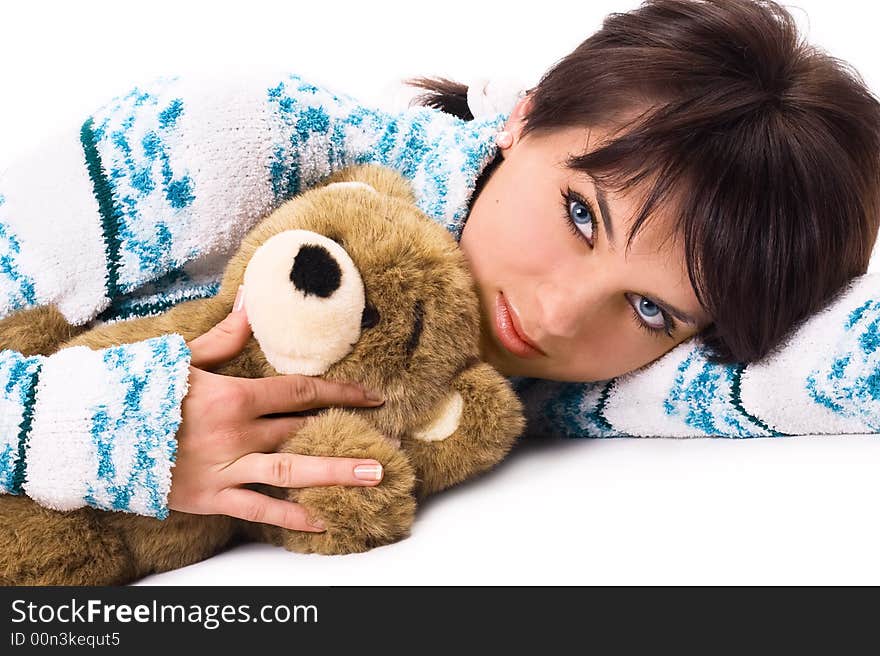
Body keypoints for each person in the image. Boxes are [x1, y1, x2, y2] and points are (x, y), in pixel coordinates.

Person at [1, 0, 878, 533]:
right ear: (524, 116)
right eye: (579, 215)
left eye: (652, 309)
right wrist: (108, 434)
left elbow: (822, 370)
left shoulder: (568, 373)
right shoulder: (229, 142)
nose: (562, 317)